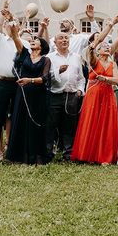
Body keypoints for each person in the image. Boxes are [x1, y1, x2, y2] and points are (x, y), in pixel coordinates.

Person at [0, 0, 29, 166]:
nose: (11, 25)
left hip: (19, 85)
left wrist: (13, 20)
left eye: (14, 23)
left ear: (18, 26)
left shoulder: (25, 43)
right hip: (2, 83)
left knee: (18, 119)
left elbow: (22, 54)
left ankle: (14, 154)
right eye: (8, 23)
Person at [5, 15, 51, 164]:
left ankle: (35, 156)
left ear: (42, 46)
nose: (32, 41)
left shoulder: (45, 59)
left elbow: (44, 78)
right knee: (20, 121)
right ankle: (19, 156)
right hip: (22, 94)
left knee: (35, 123)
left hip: (38, 95)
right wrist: (11, 20)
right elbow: (15, 36)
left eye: (36, 40)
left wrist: (29, 80)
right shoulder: (24, 53)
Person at [72, 37, 118, 164]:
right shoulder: (94, 61)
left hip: (108, 94)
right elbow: (90, 51)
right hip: (93, 94)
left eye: (108, 46)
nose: (107, 47)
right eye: (104, 46)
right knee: (91, 121)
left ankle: (104, 156)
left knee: (106, 123)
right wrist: (94, 46)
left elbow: (116, 80)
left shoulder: (113, 64)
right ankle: (88, 154)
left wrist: (104, 79)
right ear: (98, 51)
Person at [46, 31, 86, 162]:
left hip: (72, 96)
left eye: (66, 38)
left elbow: (81, 78)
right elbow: (46, 77)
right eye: (61, 38)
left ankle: (68, 153)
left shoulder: (76, 57)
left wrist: (80, 90)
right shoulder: (50, 57)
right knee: (51, 125)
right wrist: (58, 71)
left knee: (70, 126)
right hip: (55, 95)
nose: (64, 40)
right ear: (55, 42)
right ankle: (48, 153)